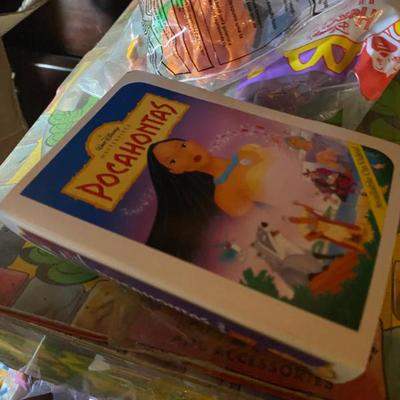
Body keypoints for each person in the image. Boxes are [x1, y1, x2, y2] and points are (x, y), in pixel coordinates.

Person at [146, 138, 329, 260]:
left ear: (191, 142)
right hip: (316, 217)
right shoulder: (224, 196)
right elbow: (272, 234)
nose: (185, 154)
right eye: (173, 160)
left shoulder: (248, 148)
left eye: (182, 146)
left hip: (328, 182)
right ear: (175, 171)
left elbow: (299, 152)